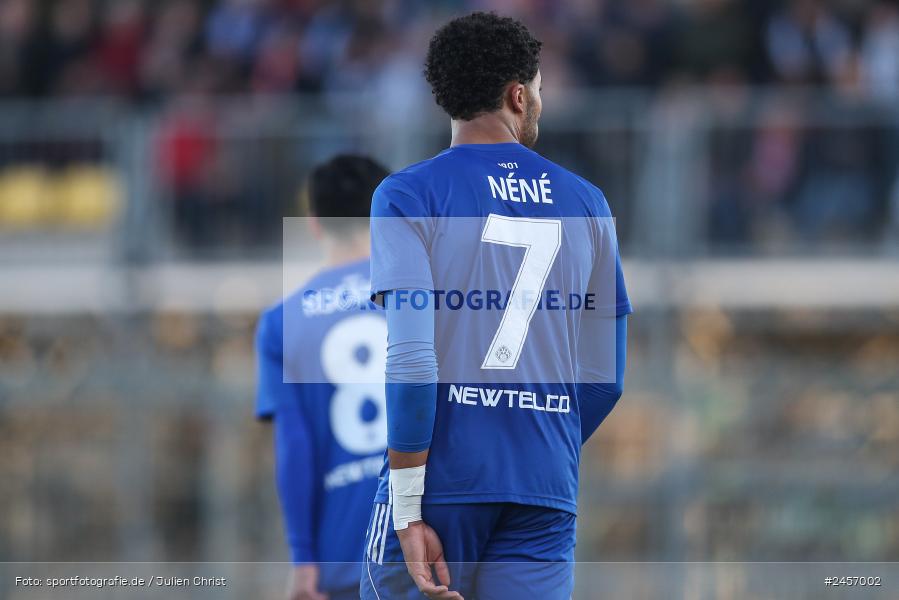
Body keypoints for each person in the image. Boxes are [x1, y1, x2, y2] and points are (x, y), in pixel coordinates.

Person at [361, 12, 632, 600]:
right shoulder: (588, 203)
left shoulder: (408, 194)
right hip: (542, 484)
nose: (538, 99)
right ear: (517, 94)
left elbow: (410, 358)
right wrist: (531, 433)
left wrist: (407, 508)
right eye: (536, 87)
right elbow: (604, 379)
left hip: (439, 485)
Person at [256, 155, 390, 600]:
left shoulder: (281, 321)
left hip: (343, 553)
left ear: (314, 224)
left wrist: (303, 558)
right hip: (434, 542)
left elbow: (295, 447)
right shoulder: (427, 294)